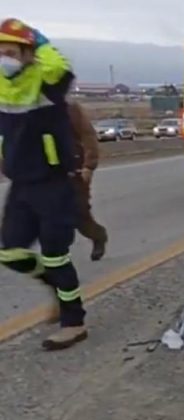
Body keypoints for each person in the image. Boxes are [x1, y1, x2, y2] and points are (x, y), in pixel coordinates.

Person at [0, 18, 88, 350]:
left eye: (10, 52)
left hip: (53, 181)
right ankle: (55, 287)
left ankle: (73, 321)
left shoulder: (48, 82)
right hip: (20, 182)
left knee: (55, 254)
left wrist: (40, 41)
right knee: (9, 252)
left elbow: (59, 68)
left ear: (28, 53)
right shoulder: (2, 85)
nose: (4, 59)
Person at [67, 99, 108, 261]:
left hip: (73, 170)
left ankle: (98, 236)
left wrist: (89, 166)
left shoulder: (69, 107)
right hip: (41, 173)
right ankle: (58, 256)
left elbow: (88, 135)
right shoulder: (23, 108)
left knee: (79, 214)